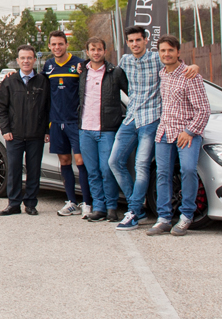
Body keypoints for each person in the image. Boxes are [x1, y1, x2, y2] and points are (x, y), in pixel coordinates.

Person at [110, 25, 200, 231]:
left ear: (146, 41)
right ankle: (140, 209)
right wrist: (83, 67)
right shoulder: (125, 61)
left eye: (138, 40)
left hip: (151, 119)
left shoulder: (158, 58)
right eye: (131, 41)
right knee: (114, 162)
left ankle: (133, 211)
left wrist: (195, 66)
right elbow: (109, 73)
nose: (135, 44)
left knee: (142, 165)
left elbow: (178, 66)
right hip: (131, 117)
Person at [147, 35, 210, 237]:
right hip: (164, 132)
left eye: (170, 50)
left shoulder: (190, 76)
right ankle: (164, 218)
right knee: (163, 174)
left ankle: (186, 217)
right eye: (163, 51)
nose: (166, 54)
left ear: (178, 52)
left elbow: (203, 110)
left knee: (189, 170)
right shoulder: (161, 74)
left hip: (186, 133)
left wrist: (190, 131)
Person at [0, 44, 50, 215]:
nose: (26, 61)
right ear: (17, 61)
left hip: (36, 135)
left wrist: (47, 131)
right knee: (14, 170)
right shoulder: (9, 82)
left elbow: (48, 108)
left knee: (34, 170)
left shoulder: (43, 81)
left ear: (34, 59)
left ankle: (31, 204)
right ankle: (13, 204)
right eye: (23, 58)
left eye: (29, 58)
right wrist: (5, 129)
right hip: (14, 135)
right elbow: (1, 108)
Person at [76, 36, 127, 222]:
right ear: (87, 52)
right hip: (85, 130)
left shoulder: (115, 72)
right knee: (93, 171)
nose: (96, 52)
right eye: (92, 49)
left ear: (104, 51)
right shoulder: (82, 72)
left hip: (107, 130)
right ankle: (99, 207)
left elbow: (131, 94)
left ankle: (112, 207)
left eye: (99, 49)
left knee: (107, 170)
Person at [41, 30, 90, 217]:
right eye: (53, 44)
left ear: (66, 44)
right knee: (64, 161)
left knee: (80, 160)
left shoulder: (79, 64)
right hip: (56, 122)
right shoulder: (48, 66)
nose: (57, 47)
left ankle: (87, 202)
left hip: (75, 123)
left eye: (60, 44)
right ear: (49, 46)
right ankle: (71, 202)